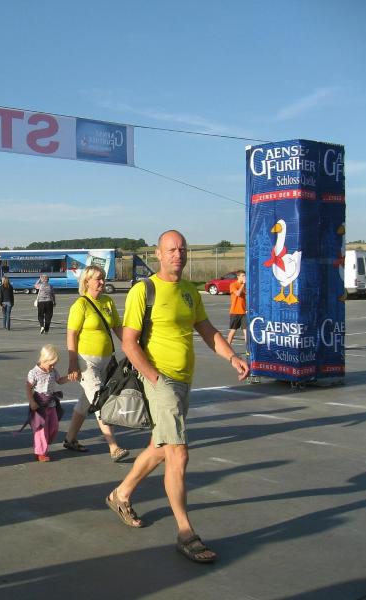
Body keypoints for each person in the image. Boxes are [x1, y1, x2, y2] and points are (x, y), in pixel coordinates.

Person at [110, 230, 249, 564]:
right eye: (171, 249)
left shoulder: (188, 291)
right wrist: (154, 377)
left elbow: (207, 331)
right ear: (159, 254)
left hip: (184, 381)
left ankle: (120, 494)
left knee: (160, 447)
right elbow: (129, 341)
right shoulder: (144, 290)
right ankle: (186, 532)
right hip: (161, 381)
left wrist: (232, 356)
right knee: (178, 453)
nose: (178, 254)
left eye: (182, 249)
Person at [62, 265, 129, 461]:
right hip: (86, 363)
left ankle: (70, 439)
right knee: (101, 402)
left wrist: (133, 346)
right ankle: (113, 447)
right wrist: (73, 363)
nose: (102, 282)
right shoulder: (80, 305)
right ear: (87, 281)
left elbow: (117, 327)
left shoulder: (107, 301)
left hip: (106, 363)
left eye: (103, 278)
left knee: (86, 402)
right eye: (98, 278)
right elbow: (71, 334)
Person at [25, 344, 69, 462]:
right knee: (41, 430)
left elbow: (59, 381)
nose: (53, 367)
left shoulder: (53, 371)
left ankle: (42, 445)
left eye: (54, 364)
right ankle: (41, 452)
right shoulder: (34, 373)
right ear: (43, 360)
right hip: (39, 405)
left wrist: (70, 377)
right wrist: (32, 402)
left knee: (54, 427)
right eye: (51, 364)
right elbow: (28, 388)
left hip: (51, 404)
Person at [227, 270, 247, 346]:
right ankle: (228, 347)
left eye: (245, 275)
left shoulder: (245, 286)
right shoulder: (233, 285)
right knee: (233, 331)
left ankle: (248, 349)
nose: (244, 277)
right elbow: (238, 293)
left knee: (246, 331)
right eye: (243, 276)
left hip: (244, 312)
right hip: (235, 312)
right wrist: (243, 285)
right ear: (238, 277)